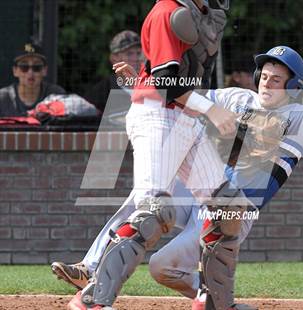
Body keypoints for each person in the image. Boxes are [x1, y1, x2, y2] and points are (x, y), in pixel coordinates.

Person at [52, 1, 253, 309]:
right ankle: (92, 299)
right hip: (157, 117)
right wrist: (211, 109)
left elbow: (180, 76)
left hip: (185, 119)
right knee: (155, 210)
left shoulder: (203, 16)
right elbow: (165, 83)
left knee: (229, 207)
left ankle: (216, 302)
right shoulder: (166, 12)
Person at [134, 46, 303, 310]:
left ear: (292, 86)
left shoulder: (301, 117)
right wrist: (146, 78)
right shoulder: (238, 98)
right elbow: (190, 98)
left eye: (276, 79)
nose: (266, 83)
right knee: (149, 200)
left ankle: (218, 299)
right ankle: (96, 267)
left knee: (161, 267)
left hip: (231, 213)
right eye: (264, 76)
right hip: (202, 192)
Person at [0, 42, 66, 117]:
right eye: (24, 67)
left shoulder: (56, 95)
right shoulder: (3, 98)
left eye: (36, 67)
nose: (30, 72)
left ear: (44, 70)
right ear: (15, 71)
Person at [84, 30, 142, 113]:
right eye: (129, 54)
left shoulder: (153, 87)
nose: (136, 58)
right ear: (114, 58)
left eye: (139, 53)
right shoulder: (102, 91)